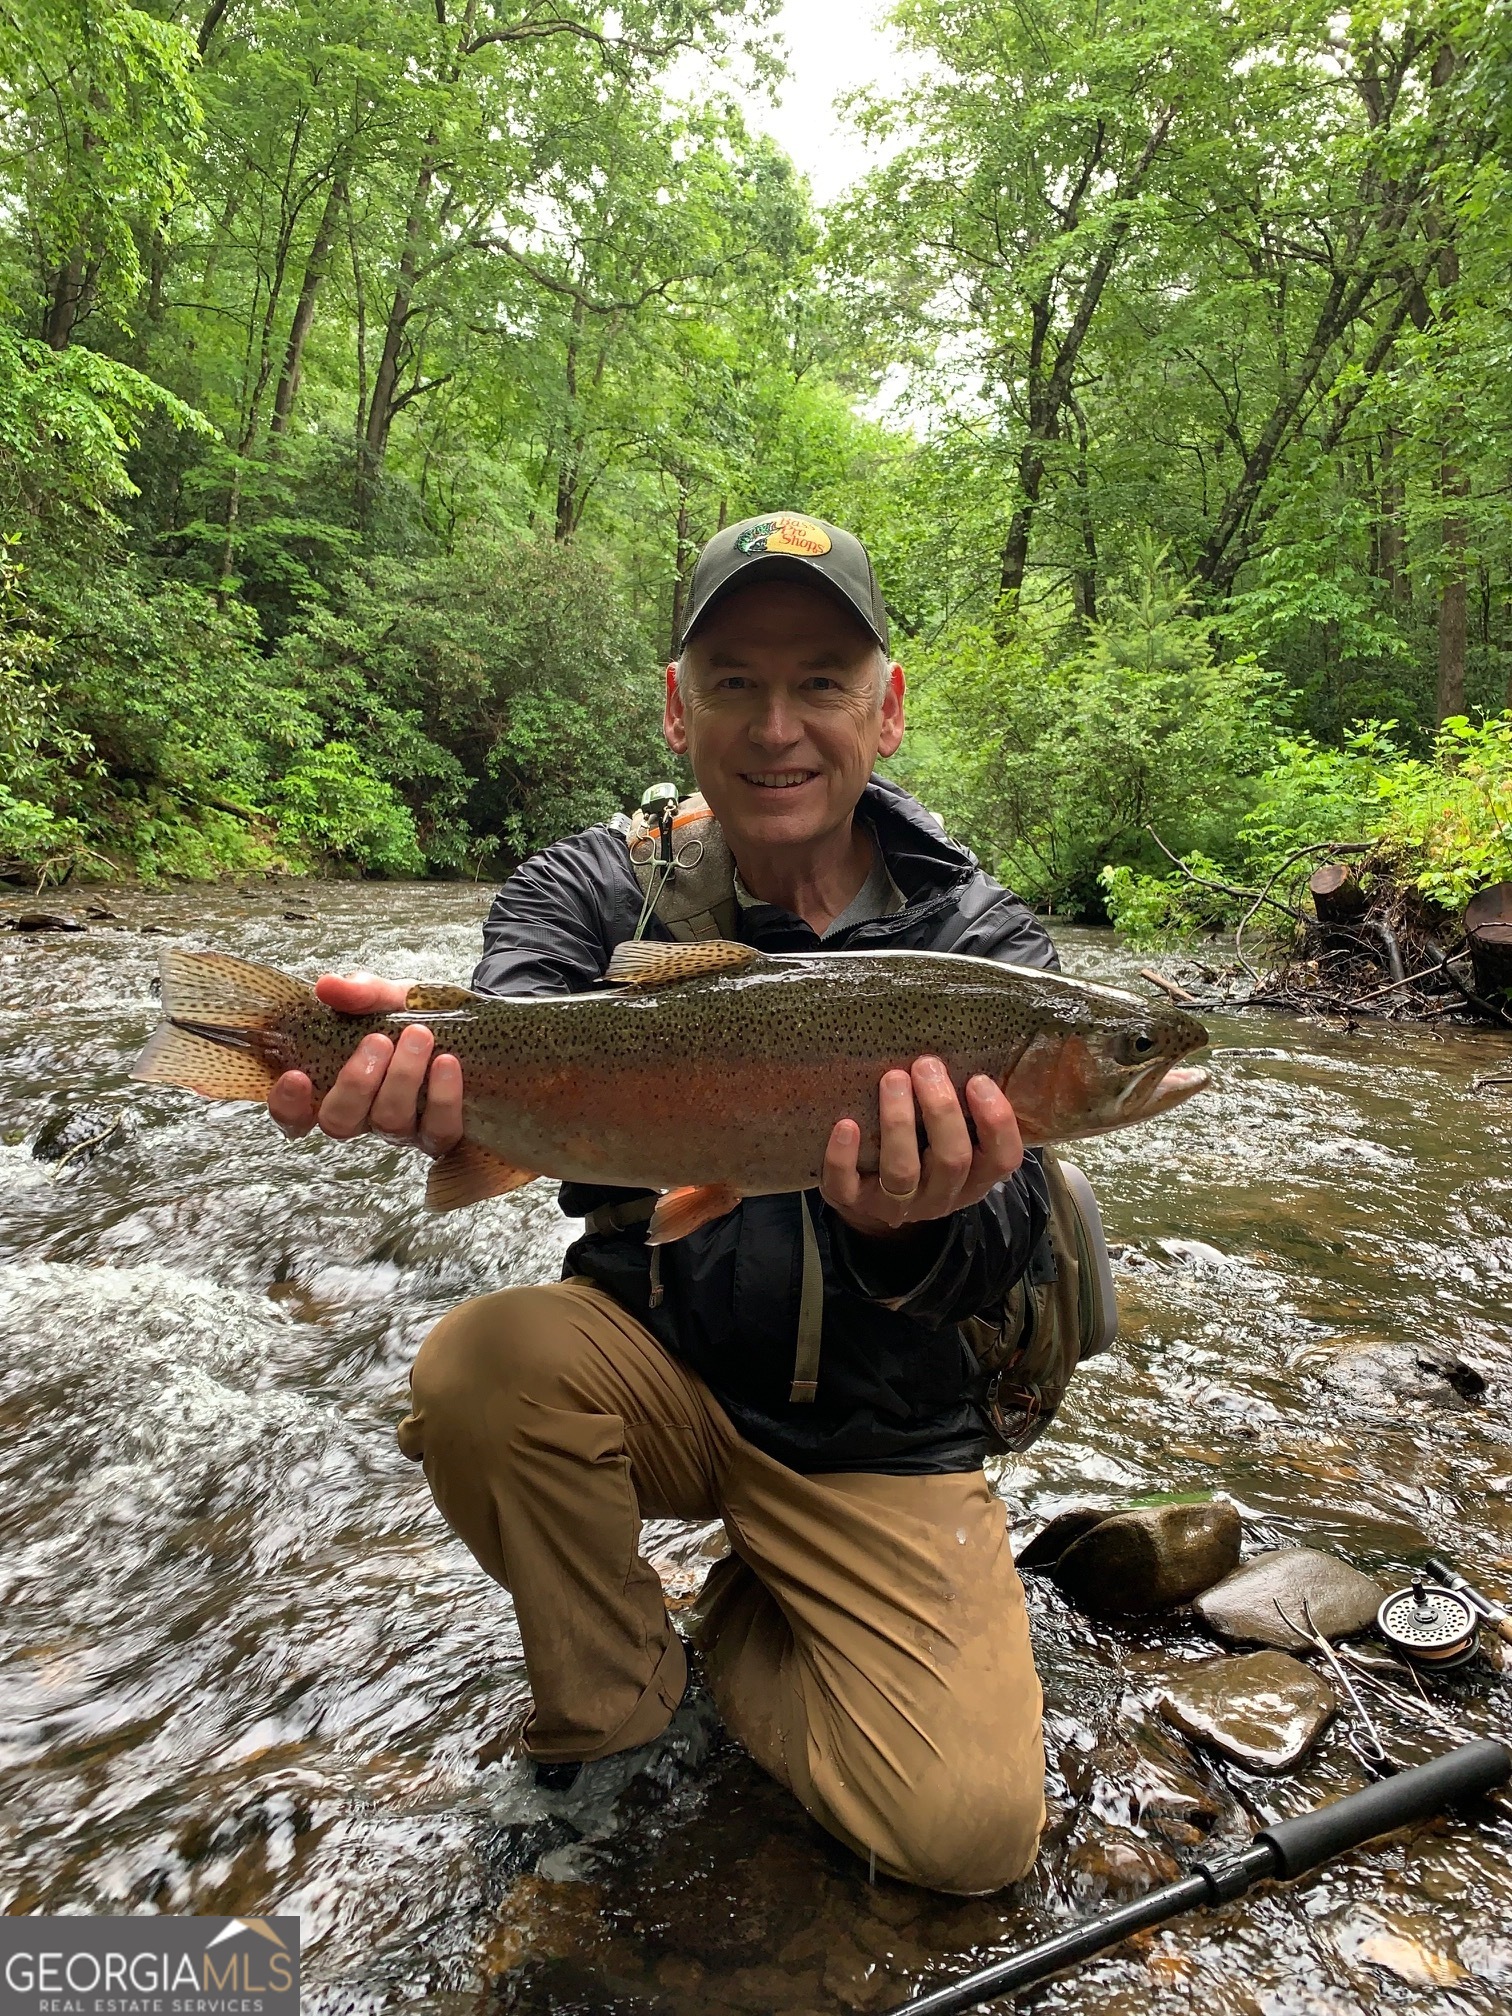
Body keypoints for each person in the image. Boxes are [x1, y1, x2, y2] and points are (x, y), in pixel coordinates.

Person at [268, 513, 1057, 1894]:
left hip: (881, 1438)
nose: (779, 726)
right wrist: (418, 1071)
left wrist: (908, 1218)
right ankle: (622, 1700)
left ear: (889, 708)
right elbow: (511, 1017)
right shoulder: (591, 886)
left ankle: (763, 1618)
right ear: (679, 708)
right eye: (736, 682)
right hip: (660, 1377)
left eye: (821, 679)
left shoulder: (977, 941)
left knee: (968, 1841)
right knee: (481, 1368)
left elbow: (1012, 1245)